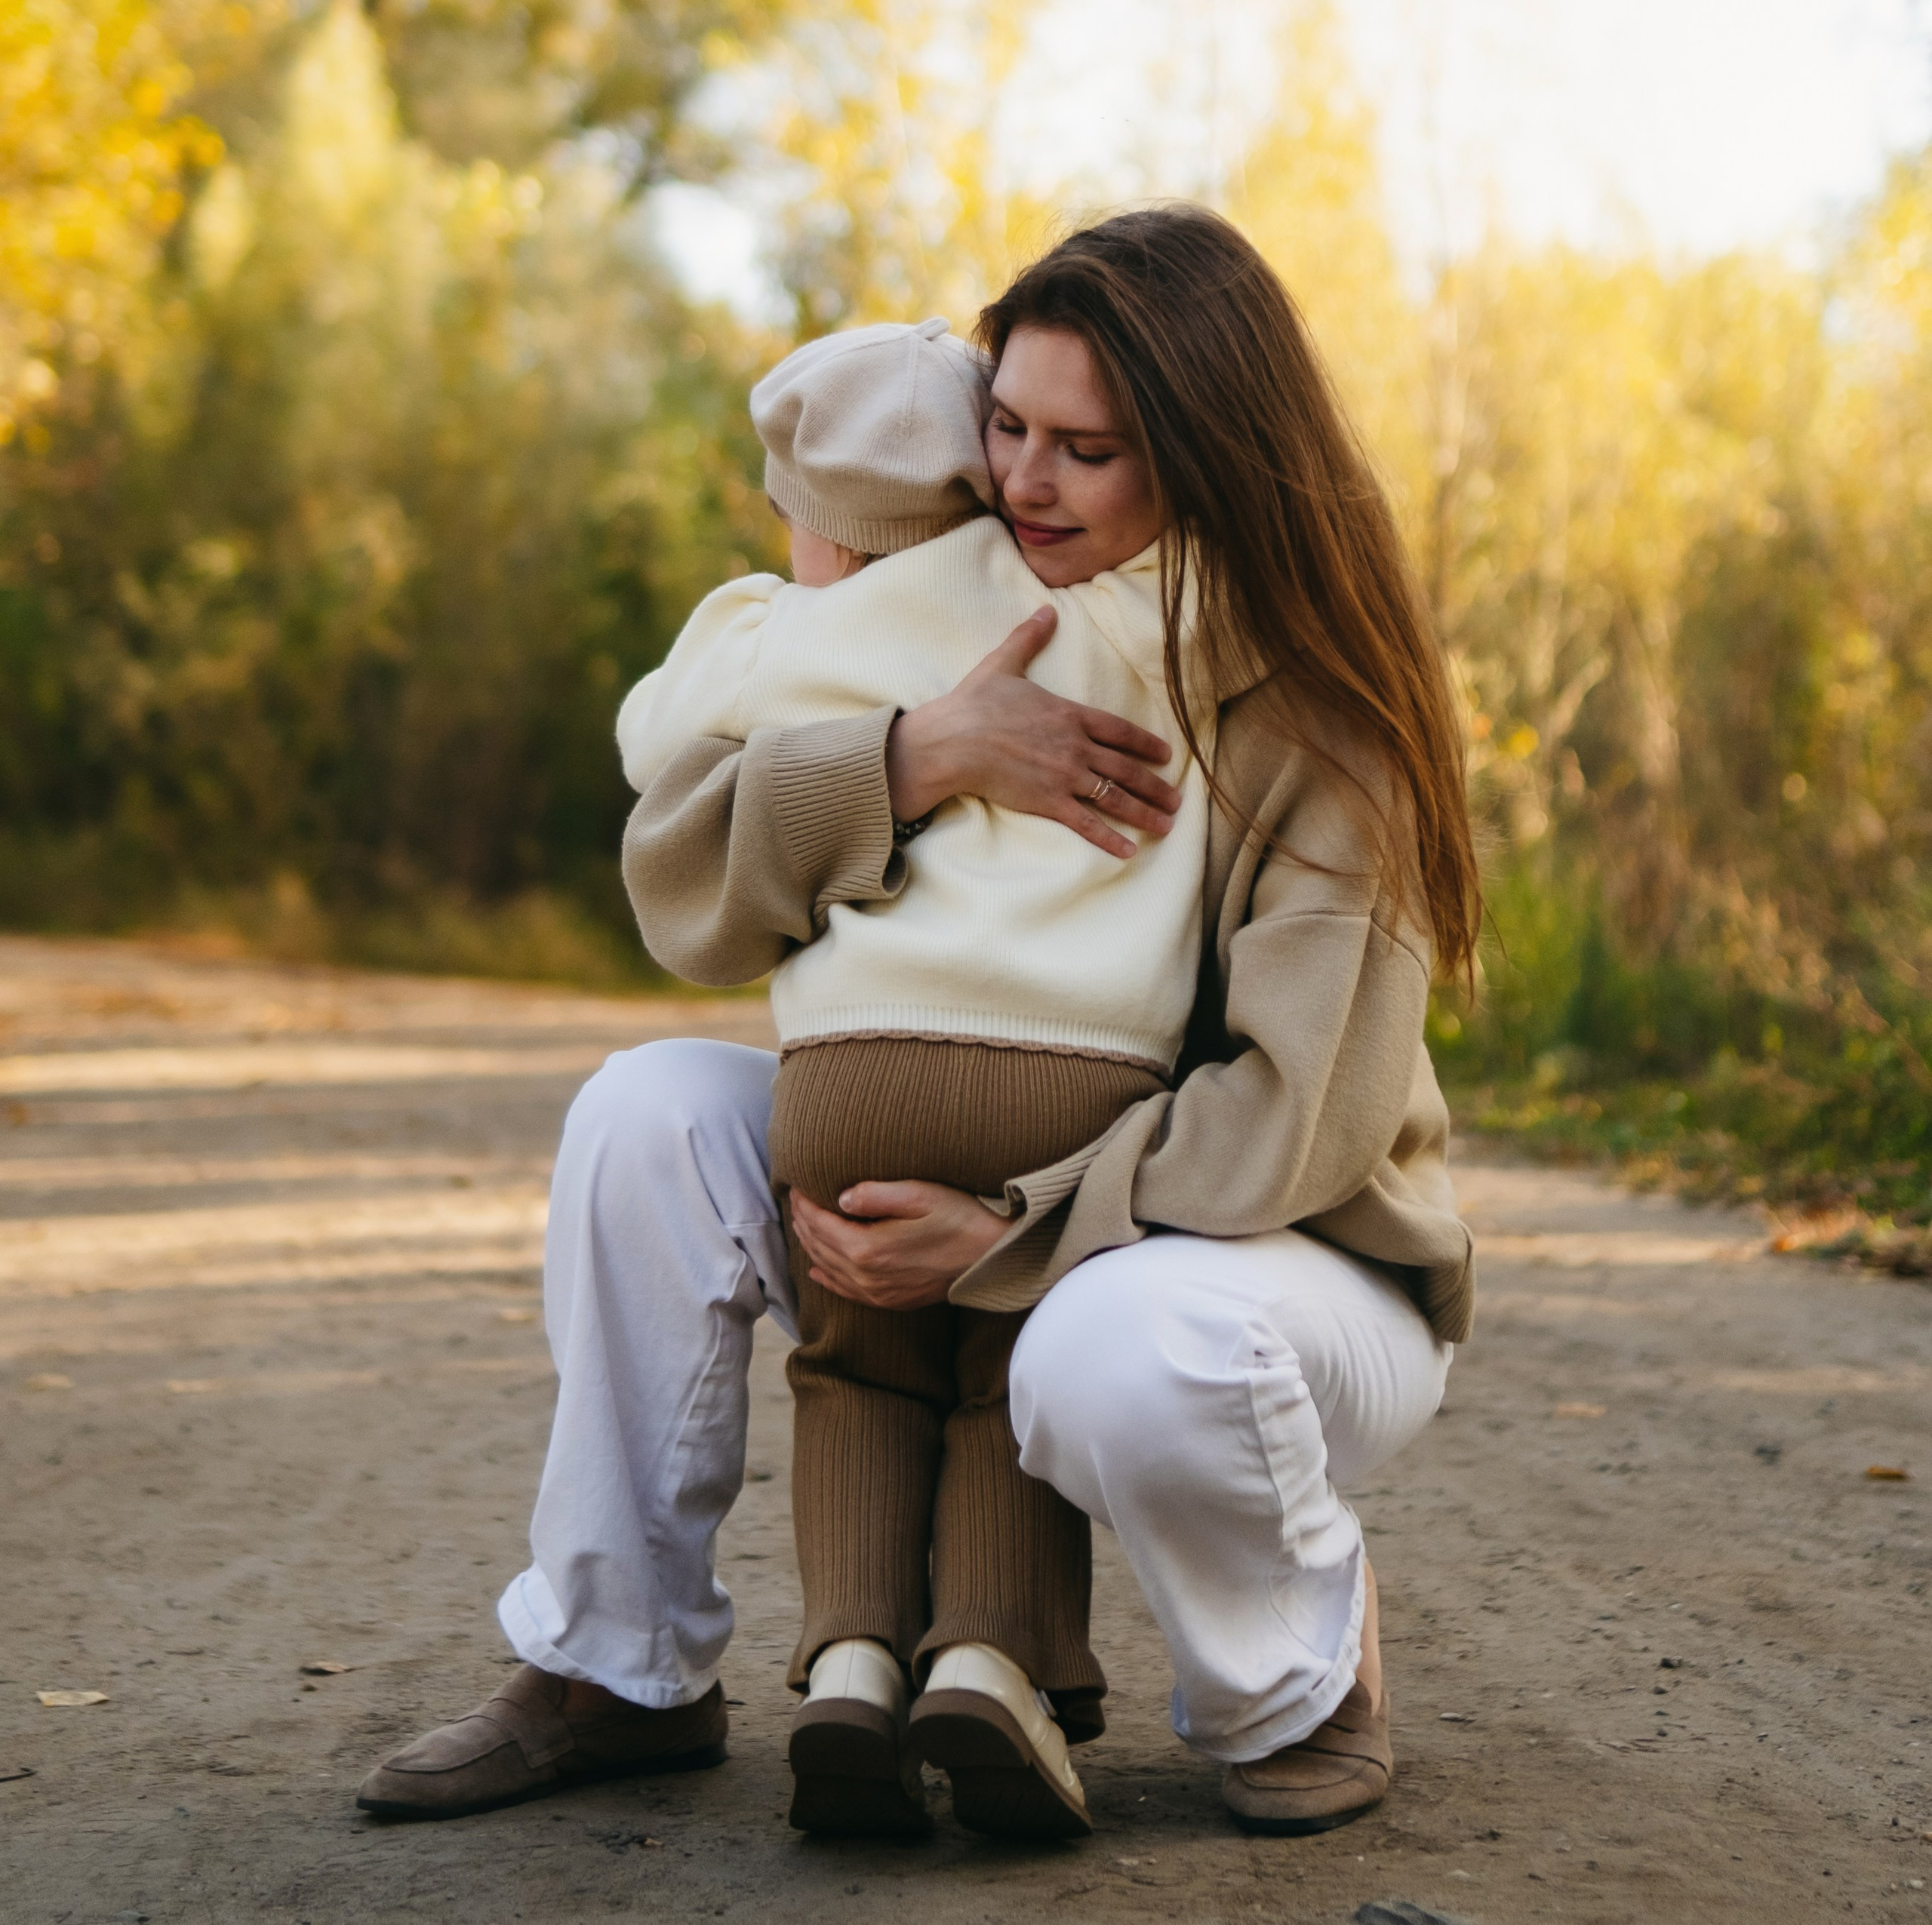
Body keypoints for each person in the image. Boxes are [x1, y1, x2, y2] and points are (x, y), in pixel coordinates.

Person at [356, 204, 1477, 1845]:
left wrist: (1010, 1230)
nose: (1023, 483)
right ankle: (619, 1666)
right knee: (643, 1113)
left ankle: (1299, 1681)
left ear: (1209, 454)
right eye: (1004, 428)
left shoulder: (1311, 700)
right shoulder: (945, 628)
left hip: (1276, 1263)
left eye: (1086, 449)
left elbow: (1296, 1114)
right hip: (1029, 1173)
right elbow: (683, 890)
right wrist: (916, 755)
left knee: (1114, 1347)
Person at [615, 312, 1218, 1840]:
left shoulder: (781, 630)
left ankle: (849, 1668)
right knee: (1004, 1366)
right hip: (1073, 1082)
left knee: (857, 1362)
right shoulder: (1142, 598)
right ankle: (996, 1663)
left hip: (851, 1076)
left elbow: (652, 744)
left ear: (799, 514)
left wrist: (779, 638)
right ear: (978, 467)